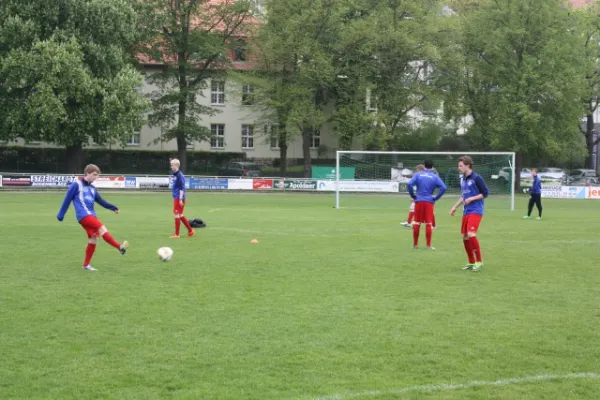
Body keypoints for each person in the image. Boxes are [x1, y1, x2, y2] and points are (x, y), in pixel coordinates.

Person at [56, 164, 128, 271]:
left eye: (97, 176)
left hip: (91, 216)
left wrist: (113, 208)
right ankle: (119, 247)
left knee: (93, 239)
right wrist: (60, 215)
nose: (95, 178)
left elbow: (101, 201)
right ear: (87, 173)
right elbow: (67, 199)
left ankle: (86, 265)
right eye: (94, 175)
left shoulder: (92, 188)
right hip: (84, 215)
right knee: (102, 228)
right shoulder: (76, 185)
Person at [449, 155, 489, 272]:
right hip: (466, 211)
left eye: (461, 166)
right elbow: (463, 196)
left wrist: (472, 199)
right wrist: (454, 207)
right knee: (465, 236)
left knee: (471, 233)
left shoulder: (477, 178)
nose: (459, 168)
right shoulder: (463, 179)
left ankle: (479, 262)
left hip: (476, 210)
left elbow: (485, 193)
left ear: (468, 165)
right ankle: (471, 262)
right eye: (459, 165)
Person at [407, 160, 446, 249]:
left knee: (417, 222)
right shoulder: (434, 177)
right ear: (432, 167)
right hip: (429, 201)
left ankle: (415, 244)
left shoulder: (418, 174)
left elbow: (409, 184)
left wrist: (413, 195)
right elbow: (443, 188)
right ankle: (428, 245)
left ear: (423, 166)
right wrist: (436, 198)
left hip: (419, 200)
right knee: (429, 223)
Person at [170, 158, 195, 238]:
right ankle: (190, 231)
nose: (171, 167)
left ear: (176, 165)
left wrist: (180, 199)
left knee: (177, 214)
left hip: (179, 197)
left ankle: (177, 234)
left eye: (172, 165)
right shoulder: (176, 174)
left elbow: (182, 188)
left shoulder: (179, 176)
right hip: (177, 197)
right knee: (180, 214)